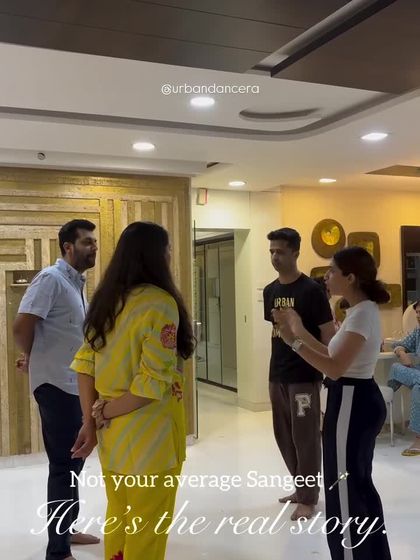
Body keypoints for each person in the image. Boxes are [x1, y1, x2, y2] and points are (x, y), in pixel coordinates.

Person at [70, 221, 194, 560]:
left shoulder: (107, 301)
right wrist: (102, 412)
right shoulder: (160, 303)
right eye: (168, 250)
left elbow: (85, 365)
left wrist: (92, 421)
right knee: (147, 527)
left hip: (114, 437)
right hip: (151, 438)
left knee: (120, 517)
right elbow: (151, 384)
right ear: (158, 255)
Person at [273, 246, 392, 560]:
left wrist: (294, 342)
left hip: (353, 400)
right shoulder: (359, 311)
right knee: (355, 484)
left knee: (345, 489)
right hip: (351, 398)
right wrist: (297, 328)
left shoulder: (363, 313)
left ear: (350, 277)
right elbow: (329, 353)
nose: (326, 276)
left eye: (332, 271)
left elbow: (335, 367)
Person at [13, 219, 99, 560]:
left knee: (74, 462)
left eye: (94, 242)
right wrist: (33, 356)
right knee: (64, 465)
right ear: (68, 247)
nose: (93, 247)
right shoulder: (51, 279)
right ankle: (58, 551)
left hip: (73, 383)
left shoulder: (75, 283)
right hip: (56, 385)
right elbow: (22, 325)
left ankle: (68, 529)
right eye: (87, 242)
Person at [263, 228, 335, 521]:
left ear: (295, 253)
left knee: (305, 436)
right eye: (271, 252)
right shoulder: (270, 291)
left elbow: (328, 336)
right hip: (277, 373)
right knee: (283, 434)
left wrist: (325, 366)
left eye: (280, 251)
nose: (274, 257)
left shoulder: (311, 291)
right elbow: (276, 332)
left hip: (304, 375)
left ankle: (308, 498)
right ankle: (300, 486)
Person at [388, 300, 420, 456]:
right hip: (418, 373)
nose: (418, 315)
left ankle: (419, 439)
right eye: (417, 312)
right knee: (396, 366)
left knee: (418, 388)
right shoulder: (418, 332)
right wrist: (401, 353)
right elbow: (398, 344)